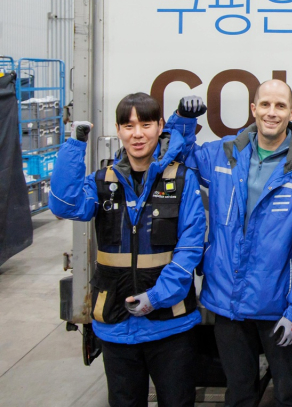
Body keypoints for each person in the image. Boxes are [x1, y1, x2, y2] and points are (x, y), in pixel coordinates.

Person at [166, 80, 292, 407]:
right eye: (265, 104)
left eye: (280, 106)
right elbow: (177, 158)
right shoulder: (224, 153)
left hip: (279, 306)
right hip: (227, 302)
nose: (272, 112)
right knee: (239, 394)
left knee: (289, 395)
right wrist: (183, 120)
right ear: (253, 109)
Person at [50, 93, 206, 407]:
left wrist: (156, 297)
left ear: (160, 126)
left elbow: (190, 248)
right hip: (115, 325)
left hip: (171, 325)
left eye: (146, 125)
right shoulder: (102, 181)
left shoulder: (181, 179)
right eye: (129, 125)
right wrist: (75, 145)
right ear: (118, 130)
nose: (137, 134)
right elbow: (65, 205)